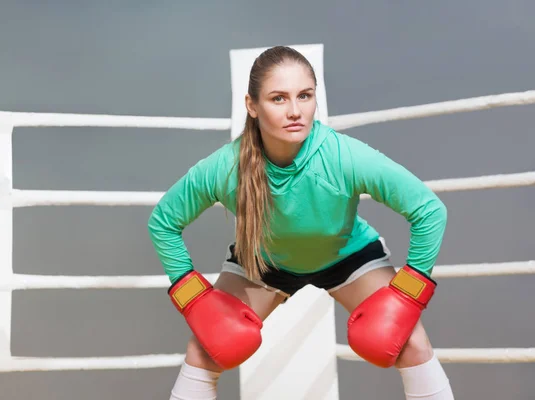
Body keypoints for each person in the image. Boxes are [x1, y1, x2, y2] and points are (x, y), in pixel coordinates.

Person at [148, 45, 454, 400]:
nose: (295, 111)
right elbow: (163, 223)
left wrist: (408, 294)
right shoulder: (225, 167)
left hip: (347, 256)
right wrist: (193, 299)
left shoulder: (343, 156)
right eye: (278, 98)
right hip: (263, 261)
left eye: (304, 96)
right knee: (204, 351)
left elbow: (430, 211)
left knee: (411, 343)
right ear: (252, 105)